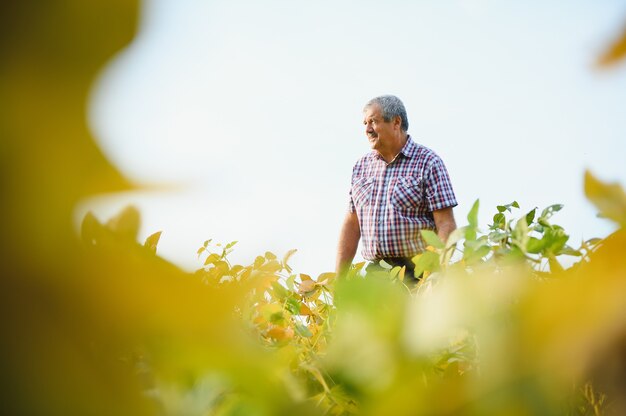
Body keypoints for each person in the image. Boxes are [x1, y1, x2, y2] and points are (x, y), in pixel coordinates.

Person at [335, 95, 458, 284]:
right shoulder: (361, 167)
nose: (367, 129)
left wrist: (435, 274)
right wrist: (339, 279)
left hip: (418, 273)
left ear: (396, 122)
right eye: (365, 123)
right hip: (377, 274)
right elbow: (352, 224)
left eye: (373, 122)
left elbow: (446, 225)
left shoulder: (428, 162)